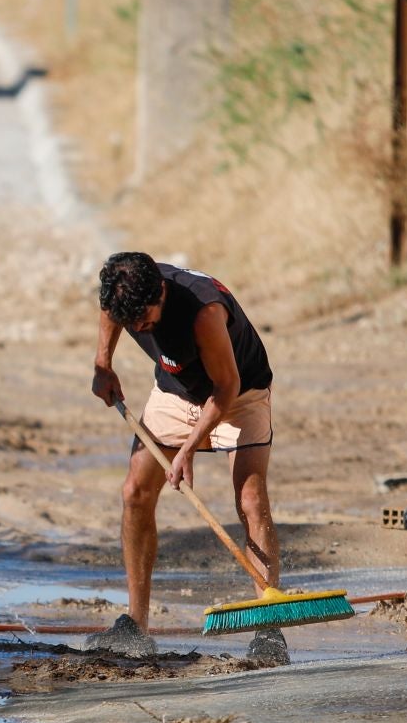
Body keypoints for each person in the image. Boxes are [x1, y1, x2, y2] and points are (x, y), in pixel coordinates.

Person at [89, 252, 283, 658]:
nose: (140, 329)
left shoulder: (203, 311)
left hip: (238, 393)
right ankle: (135, 624)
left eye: (145, 319)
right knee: (134, 492)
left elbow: (225, 387)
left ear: (161, 292)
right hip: (176, 392)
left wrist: (189, 448)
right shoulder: (123, 288)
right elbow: (110, 311)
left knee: (250, 499)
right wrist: (103, 363)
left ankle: (268, 625)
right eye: (132, 323)